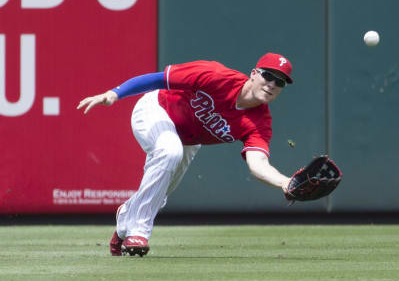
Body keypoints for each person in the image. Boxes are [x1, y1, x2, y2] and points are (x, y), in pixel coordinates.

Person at [77, 52, 294, 257]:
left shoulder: (259, 123)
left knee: (159, 192)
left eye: (280, 82)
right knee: (170, 151)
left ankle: (126, 218)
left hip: (188, 141)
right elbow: (158, 79)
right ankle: (138, 233)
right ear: (254, 74)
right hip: (156, 110)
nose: (272, 84)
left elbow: (258, 164)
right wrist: (115, 93)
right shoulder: (216, 76)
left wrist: (285, 182)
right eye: (268, 76)